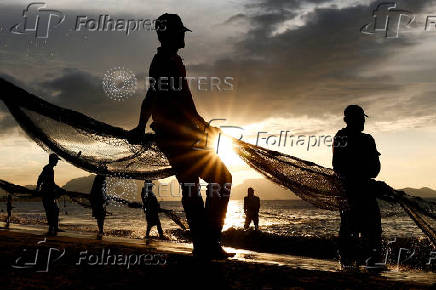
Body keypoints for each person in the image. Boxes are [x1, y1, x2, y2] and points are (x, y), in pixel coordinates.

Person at [129, 13, 233, 259]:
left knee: (194, 186)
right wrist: (141, 126)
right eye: (180, 32)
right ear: (168, 34)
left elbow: (182, 103)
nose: (184, 36)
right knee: (221, 179)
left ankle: (204, 244)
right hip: (178, 136)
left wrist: (203, 125)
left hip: (182, 134)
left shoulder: (173, 60)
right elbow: (153, 97)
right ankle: (209, 241)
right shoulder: (164, 60)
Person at [332, 105, 382, 270]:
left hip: (361, 190)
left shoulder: (367, 139)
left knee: (371, 229)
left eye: (362, 119)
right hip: (351, 192)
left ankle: (368, 263)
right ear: (348, 120)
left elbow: (375, 169)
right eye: (359, 118)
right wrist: (360, 175)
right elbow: (338, 166)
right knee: (351, 228)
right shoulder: (343, 137)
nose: (362, 122)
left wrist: (360, 175)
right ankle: (349, 264)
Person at [36, 153, 61, 236]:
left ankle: (53, 228)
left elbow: (41, 178)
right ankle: (53, 228)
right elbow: (49, 182)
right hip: (48, 193)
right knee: (53, 210)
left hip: (47, 192)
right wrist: (59, 188)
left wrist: (38, 187)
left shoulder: (48, 168)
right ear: (53, 160)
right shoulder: (49, 169)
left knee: (52, 210)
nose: (57, 162)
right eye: (56, 160)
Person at [90, 175, 108, 240]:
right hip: (98, 200)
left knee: (100, 216)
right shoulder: (100, 178)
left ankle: (101, 230)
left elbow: (103, 190)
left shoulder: (101, 178)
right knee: (100, 216)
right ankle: (101, 230)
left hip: (99, 200)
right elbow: (101, 190)